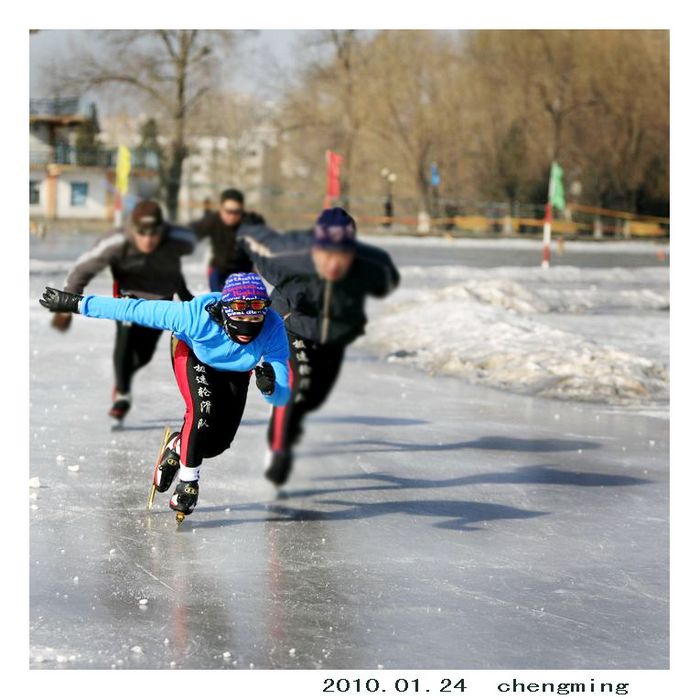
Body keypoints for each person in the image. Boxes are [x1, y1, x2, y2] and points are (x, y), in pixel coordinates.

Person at [39, 272, 291, 519]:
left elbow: (280, 397)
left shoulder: (273, 327)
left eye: (254, 324)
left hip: (236, 371)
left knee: (216, 445)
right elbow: (135, 310)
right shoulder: (193, 317)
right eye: (239, 327)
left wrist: (270, 388)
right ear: (224, 312)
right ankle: (187, 485)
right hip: (193, 354)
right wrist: (76, 303)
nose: (246, 333)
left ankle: (178, 445)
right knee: (201, 412)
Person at [238, 207, 400, 487]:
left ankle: (292, 416)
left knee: (314, 398)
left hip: (333, 337)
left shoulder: (365, 265)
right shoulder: (292, 259)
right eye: (327, 252)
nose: (334, 262)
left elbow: (387, 279)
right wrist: (249, 228)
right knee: (295, 387)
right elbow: (261, 252)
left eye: (343, 253)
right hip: (292, 328)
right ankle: (279, 450)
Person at [55, 200, 196, 422]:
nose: (148, 239)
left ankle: (125, 374)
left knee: (144, 355)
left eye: (154, 233)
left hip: (160, 301)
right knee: (126, 337)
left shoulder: (178, 240)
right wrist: (65, 306)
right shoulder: (116, 241)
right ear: (132, 229)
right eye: (142, 233)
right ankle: (122, 393)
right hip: (127, 297)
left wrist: (186, 297)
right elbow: (83, 269)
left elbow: (176, 266)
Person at [190, 188, 266, 292]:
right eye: (228, 211)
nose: (232, 216)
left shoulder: (249, 222)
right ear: (221, 209)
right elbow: (189, 233)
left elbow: (266, 242)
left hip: (245, 270)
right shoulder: (212, 221)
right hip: (220, 270)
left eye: (237, 212)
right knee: (221, 301)